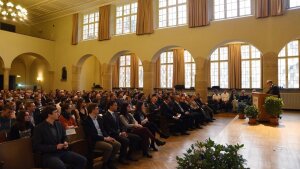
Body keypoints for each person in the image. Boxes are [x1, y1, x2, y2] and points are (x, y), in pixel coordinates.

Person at [84, 103, 120, 169]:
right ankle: (104, 164)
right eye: (97, 108)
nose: (98, 110)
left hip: (102, 138)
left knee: (117, 144)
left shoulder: (99, 119)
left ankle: (110, 161)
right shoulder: (87, 121)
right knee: (109, 147)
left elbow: (103, 130)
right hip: (95, 141)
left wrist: (108, 137)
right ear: (92, 110)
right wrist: (104, 138)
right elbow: (92, 135)